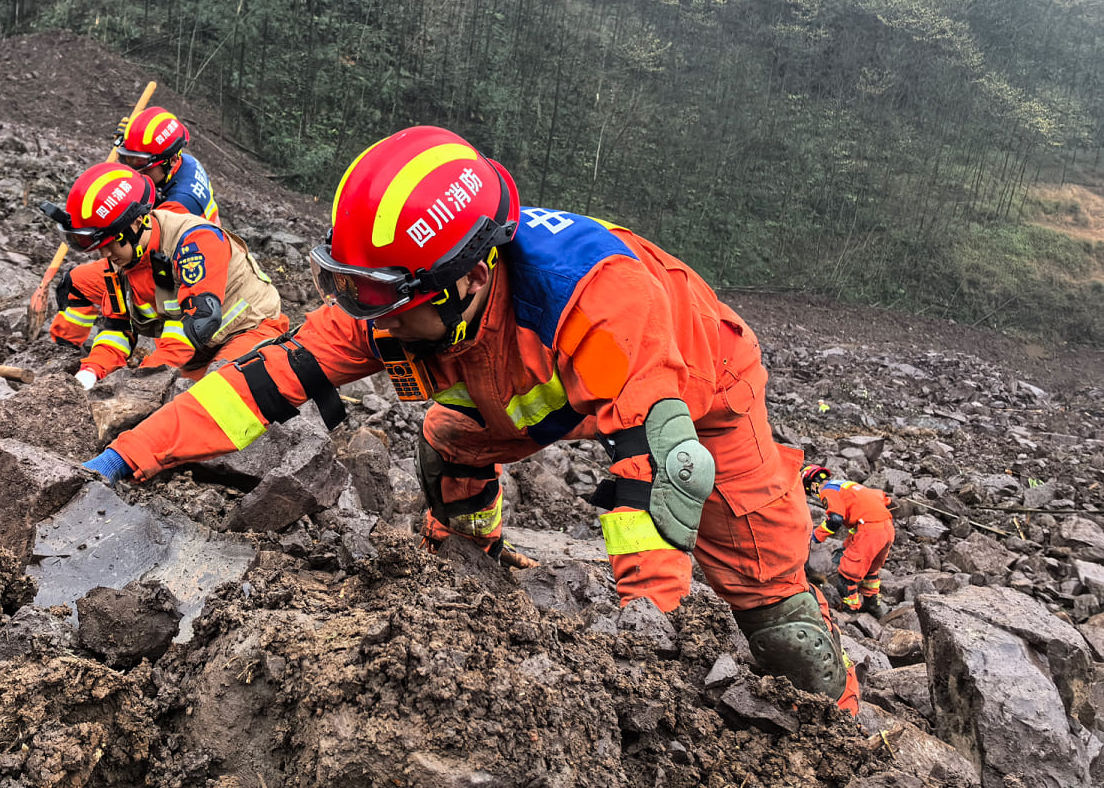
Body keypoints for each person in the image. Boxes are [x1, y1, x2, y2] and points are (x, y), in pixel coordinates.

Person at [84, 125, 860, 713]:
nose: (366, 319)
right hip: (524, 385)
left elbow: (655, 477)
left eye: (385, 300)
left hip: (695, 392)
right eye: (352, 289)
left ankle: (845, 732)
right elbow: (256, 387)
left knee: (776, 612)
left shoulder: (601, 300)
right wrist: (123, 460)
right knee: (447, 448)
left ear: (466, 277)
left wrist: (639, 651)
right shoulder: (392, 300)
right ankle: (472, 561)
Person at [43, 162, 287, 388]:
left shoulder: (195, 242)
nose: (105, 253)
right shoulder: (119, 263)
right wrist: (89, 373)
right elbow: (117, 330)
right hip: (196, 353)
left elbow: (200, 319)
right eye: (99, 245)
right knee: (169, 405)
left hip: (250, 330)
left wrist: (143, 380)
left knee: (213, 397)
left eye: (110, 243)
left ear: (137, 222)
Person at [803, 464, 894, 614]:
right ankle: (873, 605)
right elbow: (880, 499)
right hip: (887, 528)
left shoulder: (827, 491)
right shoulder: (846, 485)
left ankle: (850, 610)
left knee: (847, 574)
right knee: (870, 569)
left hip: (869, 532)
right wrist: (848, 544)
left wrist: (814, 537)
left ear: (812, 485)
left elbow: (835, 519)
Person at [114, 107, 220, 224]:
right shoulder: (186, 161)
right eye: (128, 158)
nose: (133, 170)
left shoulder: (177, 205)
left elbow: (139, 234)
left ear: (172, 160)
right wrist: (133, 139)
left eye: (140, 162)